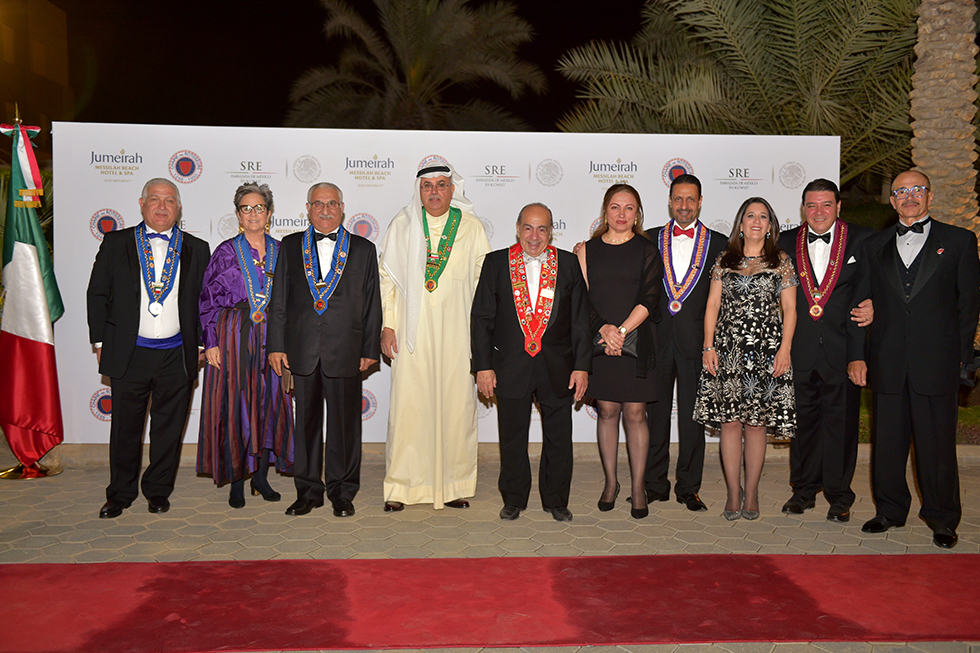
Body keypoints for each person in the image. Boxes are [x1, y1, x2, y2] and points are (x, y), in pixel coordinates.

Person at [856, 170, 980, 549]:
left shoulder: (959, 241)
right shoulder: (874, 245)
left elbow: (968, 307)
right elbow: (864, 300)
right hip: (888, 361)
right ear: (892, 201)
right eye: (901, 191)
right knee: (887, 445)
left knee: (937, 447)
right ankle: (890, 510)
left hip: (937, 362)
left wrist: (963, 362)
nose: (910, 196)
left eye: (917, 190)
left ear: (930, 196)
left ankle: (942, 518)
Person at [87, 178, 210, 518]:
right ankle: (120, 493)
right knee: (125, 429)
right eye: (154, 199)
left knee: (168, 430)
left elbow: (205, 301)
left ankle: (158, 490)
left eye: (169, 200)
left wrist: (202, 342)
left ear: (178, 207)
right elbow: (98, 293)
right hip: (129, 353)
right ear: (141, 204)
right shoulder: (116, 242)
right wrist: (100, 341)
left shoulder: (197, 248)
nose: (162, 206)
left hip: (177, 354)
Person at [378, 159, 491, 511]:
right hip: (411, 334)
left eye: (441, 185)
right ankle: (402, 488)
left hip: (458, 334)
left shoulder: (470, 226)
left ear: (453, 189)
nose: (434, 192)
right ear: (419, 190)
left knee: (456, 408)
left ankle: (454, 485)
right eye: (427, 186)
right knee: (409, 408)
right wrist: (388, 324)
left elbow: (483, 283)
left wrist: (482, 335)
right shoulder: (402, 225)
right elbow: (387, 280)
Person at [471, 203, 592, 522]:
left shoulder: (568, 264)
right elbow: (481, 319)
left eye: (542, 229)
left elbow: (580, 321)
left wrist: (582, 366)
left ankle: (556, 500)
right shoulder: (496, 263)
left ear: (552, 231)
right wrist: (483, 366)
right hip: (510, 366)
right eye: (528, 228)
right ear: (517, 228)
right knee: (512, 437)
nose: (534, 236)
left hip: (558, 367)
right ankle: (513, 498)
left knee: (559, 438)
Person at [266, 182, 381, 518]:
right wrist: (276, 345)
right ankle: (308, 492)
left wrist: (369, 348)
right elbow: (279, 300)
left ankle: (342, 492)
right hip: (301, 349)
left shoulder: (363, 249)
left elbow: (372, 303)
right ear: (308, 208)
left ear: (342, 208)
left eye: (332, 203)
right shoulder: (290, 246)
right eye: (318, 203)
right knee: (306, 426)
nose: (326, 210)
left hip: (346, 349)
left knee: (345, 427)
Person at [694, 197, 797, 521]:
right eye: (750, 215)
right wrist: (708, 347)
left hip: (766, 351)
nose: (756, 221)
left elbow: (790, 308)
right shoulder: (724, 260)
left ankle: (751, 492)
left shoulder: (781, 260)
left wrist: (785, 349)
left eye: (763, 216)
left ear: (770, 226)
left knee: (756, 424)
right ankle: (732, 493)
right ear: (740, 224)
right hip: (728, 350)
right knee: (730, 423)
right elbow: (712, 305)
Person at [777, 179, 873, 523]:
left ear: (839, 207)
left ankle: (839, 495)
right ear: (803, 208)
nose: (819, 212)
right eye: (812, 205)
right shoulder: (785, 242)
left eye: (826, 204)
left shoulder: (862, 239)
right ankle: (803, 491)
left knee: (841, 427)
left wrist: (859, 352)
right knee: (802, 426)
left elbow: (873, 288)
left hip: (843, 350)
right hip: (799, 349)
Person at [197, 182, 293, 508]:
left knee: (270, 404)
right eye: (246, 208)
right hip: (234, 336)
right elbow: (207, 300)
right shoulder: (225, 251)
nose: (253, 214)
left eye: (259, 208)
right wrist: (210, 342)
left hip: (273, 338)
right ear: (238, 214)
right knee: (237, 406)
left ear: (269, 213)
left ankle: (261, 477)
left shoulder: (283, 250)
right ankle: (237, 479)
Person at [576, 183, 663, 519]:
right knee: (608, 411)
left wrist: (622, 332)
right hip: (600, 341)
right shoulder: (586, 251)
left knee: (636, 414)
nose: (622, 214)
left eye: (629, 208)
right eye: (615, 207)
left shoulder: (647, 250)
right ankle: (611, 482)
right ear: (605, 211)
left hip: (637, 341)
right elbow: (581, 298)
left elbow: (650, 298)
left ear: (637, 213)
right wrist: (604, 330)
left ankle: (639, 487)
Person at [643, 174, 727, 512]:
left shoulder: (719, 243)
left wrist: (714, 343)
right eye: (678, 199)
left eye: (691, 199)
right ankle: (654, 485)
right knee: (656, 416)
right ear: (669, 201)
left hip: (697, 343)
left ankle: (689, 488)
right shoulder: (649, 239)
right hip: (656, 339)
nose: (684, 205)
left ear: (701, 202)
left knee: (693, 419)